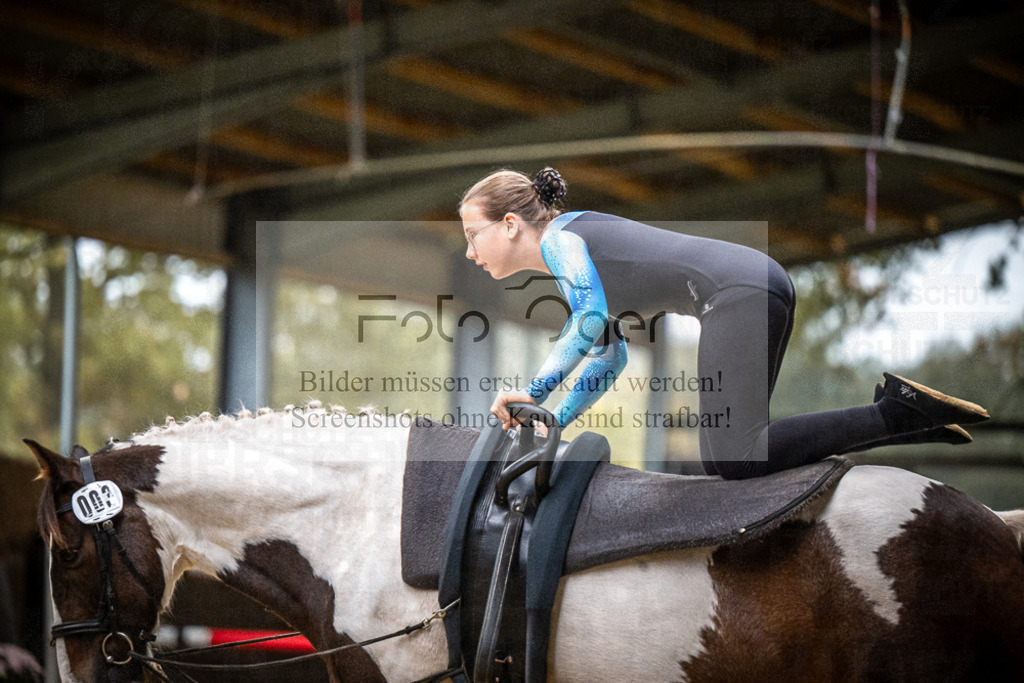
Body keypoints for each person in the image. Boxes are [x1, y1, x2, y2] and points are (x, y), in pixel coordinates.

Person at [459, 167, 990, 480]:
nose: (468, 252)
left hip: (736, 292)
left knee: (735, 455)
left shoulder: (559, 241)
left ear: (509, 225)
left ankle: (894, 414)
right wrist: (551, 417)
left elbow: (592, 317)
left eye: (471, 235)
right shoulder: (572, 256)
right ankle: (903, 416)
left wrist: (532, 389)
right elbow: (607, 356)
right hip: (754, 285)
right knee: (732, 459)